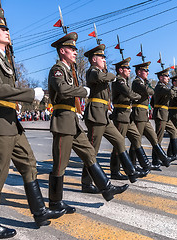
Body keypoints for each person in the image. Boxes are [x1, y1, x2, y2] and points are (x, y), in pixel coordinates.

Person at [0, 8, 65, 238]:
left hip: (12, 123)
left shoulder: (4, 57)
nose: (7, 31)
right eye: (3, 29)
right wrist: (29, 94)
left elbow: (8, 88)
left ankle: (40, 211)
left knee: (29, 164)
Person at [48, 32, 128, 214]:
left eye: (76, 49)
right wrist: (82, 91)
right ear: (62, 51)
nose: (76, 52)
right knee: (60, 165)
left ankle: (106, 188)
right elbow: (62, 89)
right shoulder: (57, 69)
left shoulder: (69, 71)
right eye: (72, 49)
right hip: (62, 122)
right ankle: (55, 202)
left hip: (72, 122)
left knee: (90, 153)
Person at [80, 45, 146, 193]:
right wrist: (111, 75)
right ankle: (86, 183)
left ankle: (130, 171)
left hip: (103, 115)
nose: (104, 59)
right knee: (92, 151)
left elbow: (106, 78)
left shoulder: (102, 73)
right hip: (95, 116)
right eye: (101, 57)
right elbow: (103, 77)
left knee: (119, 140)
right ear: (94, 59)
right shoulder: (92, 71)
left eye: (104, 57)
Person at [109, 57, 152, 178]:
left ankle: (143, 165)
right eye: (127, 68)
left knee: (137, 137)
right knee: (119, 143)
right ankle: (115, 171)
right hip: (121, 115)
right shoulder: (119, 81)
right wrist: (138, 96)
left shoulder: (125, 81)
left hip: (127, 115)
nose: (129, 70)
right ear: (120, 70)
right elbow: (129, 94)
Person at [131, 61, 174, 171]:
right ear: (139, 72)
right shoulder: (136, 82)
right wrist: (149, 88)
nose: (147, 73)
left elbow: (150, 91)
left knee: (154, 138)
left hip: (144, 115)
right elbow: (149, 91)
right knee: (136, 140)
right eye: (145, 70)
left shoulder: (144, 82)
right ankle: (133, 164)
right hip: (138, 114)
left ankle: (163, 158)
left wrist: (148, 86)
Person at [151, 67, 177, 166]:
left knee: (173, 131)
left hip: (165, 114)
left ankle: (175, 153)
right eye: (166, 76)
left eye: (168, 76)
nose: (168, 78)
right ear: (160, 77)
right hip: (160, 114)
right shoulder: (160, 87)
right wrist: (174, 88)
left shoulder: (163, 87)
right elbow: (171, 93)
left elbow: (152, 101)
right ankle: (155, 160)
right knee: (158, 138)